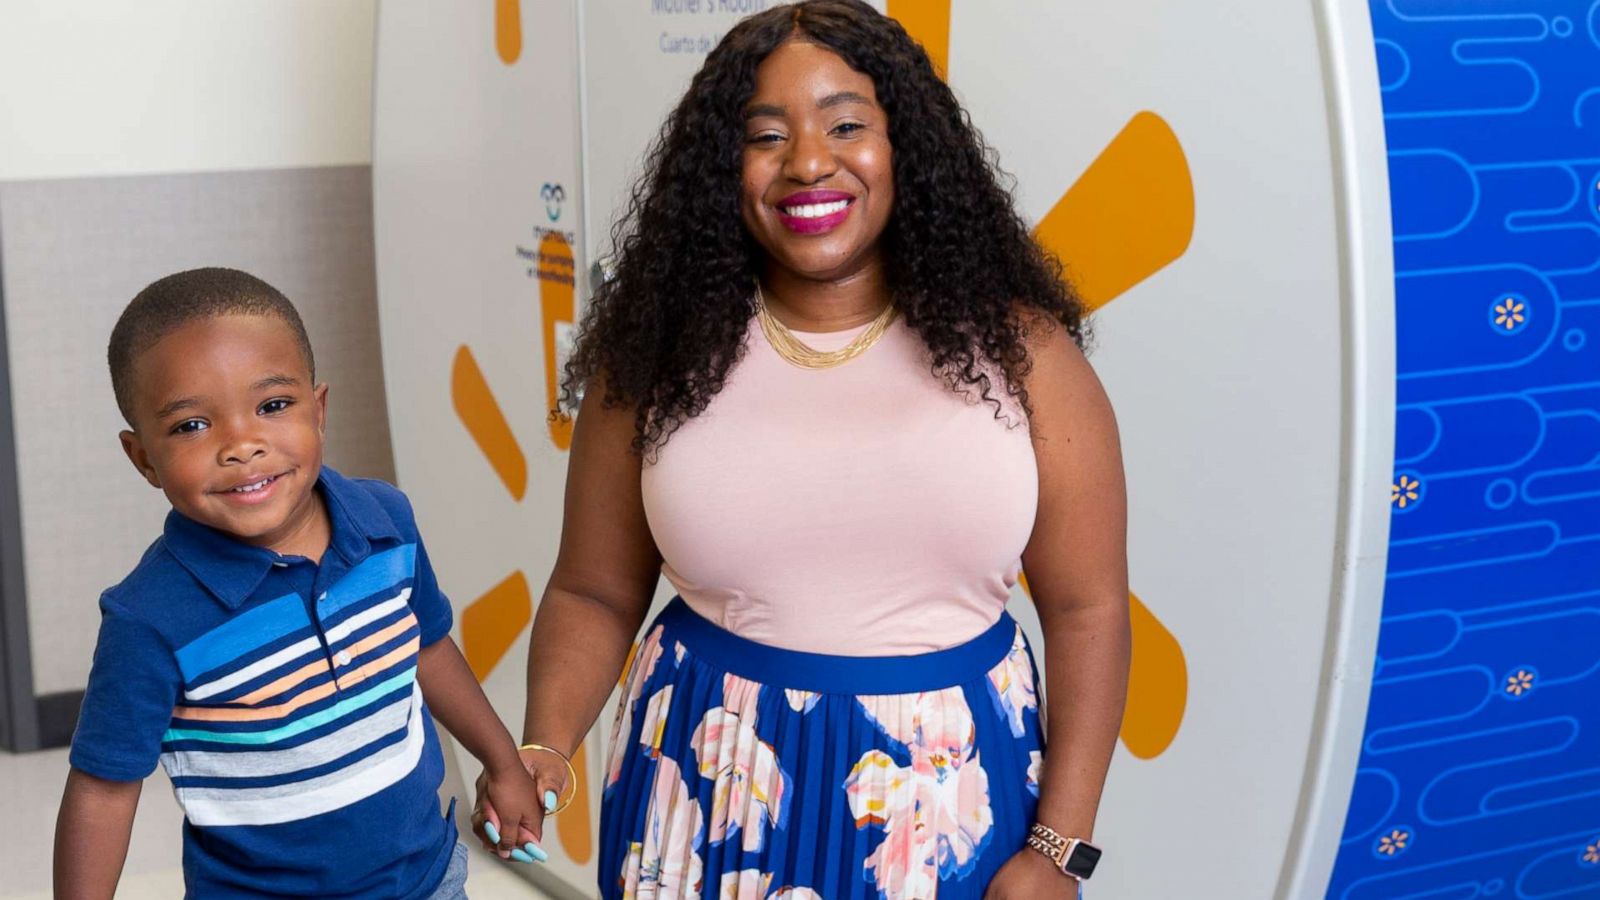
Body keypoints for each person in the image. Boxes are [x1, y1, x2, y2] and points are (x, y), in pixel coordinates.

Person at [476, 2, 1130, 897]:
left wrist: (1059, 849)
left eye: (847, 124)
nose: (809, 161)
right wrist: (548, 742)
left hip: (947, 794)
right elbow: (593, 589)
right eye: (766, 135)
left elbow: (1089, 611)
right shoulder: (656, 355)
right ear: (722, 169)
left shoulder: (1026, 356)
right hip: (705, 780)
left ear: (907, 146)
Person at [54, 268, 550, 899]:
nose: (242, 444)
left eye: (273, 406)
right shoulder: (149, 617)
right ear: (143, 457)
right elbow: (102, 792)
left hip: (427, 879)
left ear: (318, 411)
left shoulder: (385, 523)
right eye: (191, 426)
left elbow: (428, 647)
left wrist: (503, 763)